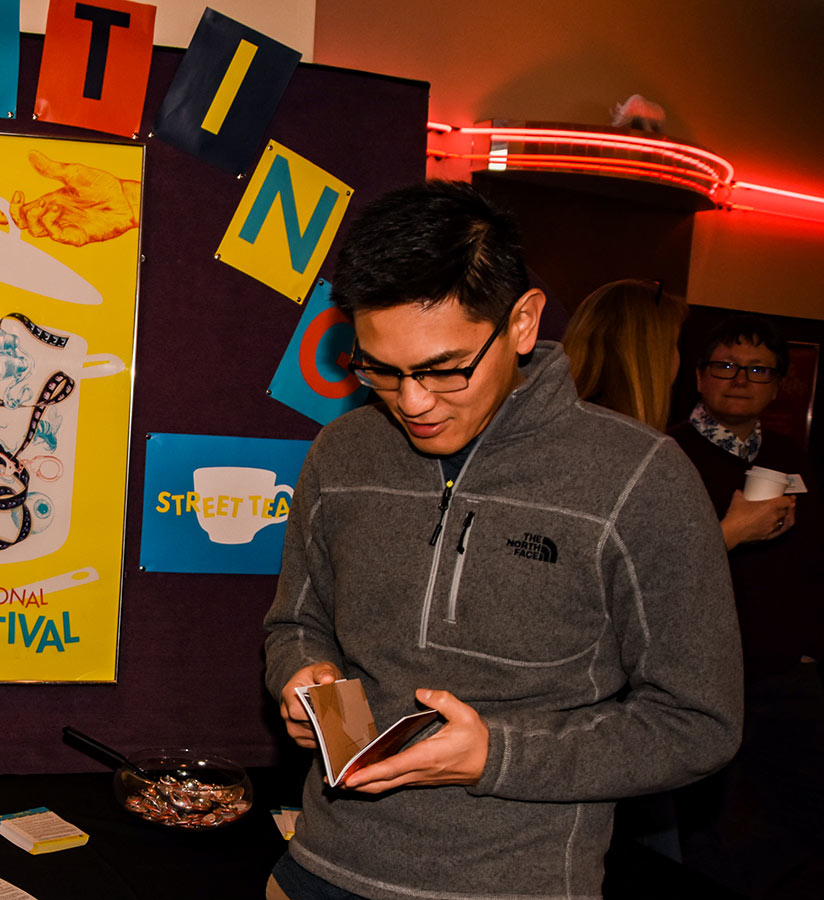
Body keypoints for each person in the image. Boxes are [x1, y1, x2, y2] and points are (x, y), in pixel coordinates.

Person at [262, 180, 743, 900]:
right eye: (381, 370)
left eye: (444, 369)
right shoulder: (340, 452)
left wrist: (500, 755)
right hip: (320, 868)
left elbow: (698, 724)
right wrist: (305, 679)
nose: (413, 402)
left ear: (522, 323)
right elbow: (298, 624)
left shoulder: (641, 477)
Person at [669, 315, 823, 898]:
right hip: (704, 675)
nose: (740, 379)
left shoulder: (795, 457)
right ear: (700, 377)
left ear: (779, 384)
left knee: (796, 825)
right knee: (712, 834)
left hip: (787, 676)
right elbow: (656, 569)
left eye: (758, 369)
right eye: (726, 366)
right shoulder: (667, 453)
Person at [563, 278, 687, 430]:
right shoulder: (631, 440)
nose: (678, 357)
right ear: (651, 356)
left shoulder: (557, 416)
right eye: (674, 344)